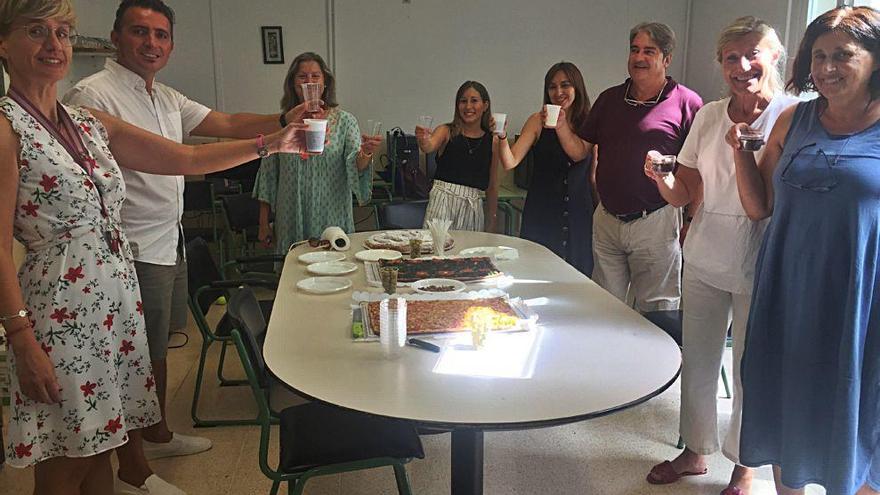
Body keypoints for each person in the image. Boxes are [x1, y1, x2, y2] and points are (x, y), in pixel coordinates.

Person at [0, 1, 306, 494]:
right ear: (3, 44)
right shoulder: (7, 127)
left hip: (111, 299)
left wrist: (273, 141)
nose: (54, 45)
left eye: (62, 33)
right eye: (36, 32)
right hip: (61, 310)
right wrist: (20, 339)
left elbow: (185, 156)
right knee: (66, 460)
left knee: (100, 444)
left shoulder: (85, 120)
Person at [725, 6, 880, 495]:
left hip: (862, 294)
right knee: (787, 404)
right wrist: (739, 155)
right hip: (789, 290)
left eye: (843, 55)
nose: (826, 68)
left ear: (875, 59)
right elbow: (760, 206)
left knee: (860, 412)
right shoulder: (793, 120)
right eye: (818, 56)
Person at [642, 17, 799, 495]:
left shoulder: (790, 114)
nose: (742, 65)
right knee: (701, 358)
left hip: (760, 254)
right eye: (731, 57)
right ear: (720, 64)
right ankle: (695, 451)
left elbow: (768, 200)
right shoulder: (709, 115)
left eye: (753, 53)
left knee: (751, 365)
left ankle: (745, 465)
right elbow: (687, 189)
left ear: (775, 57)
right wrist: (661, 179)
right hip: (705, 251)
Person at [579, 22, 702, 312]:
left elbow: (699, 170)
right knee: (603, 307)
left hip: (656, 222)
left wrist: (690, 220)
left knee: (657, 311)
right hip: (607, 220)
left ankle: (659, 359)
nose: (639, 58)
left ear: (667, 59)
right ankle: (610, 358)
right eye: (635, 50)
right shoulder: (609, 99)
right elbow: (582, 149)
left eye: (649, 51)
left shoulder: (688, 103)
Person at [253, 52, 380, 253]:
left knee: (335, 273)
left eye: (315, 76)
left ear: (325, 82)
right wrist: (263, 223)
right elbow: (268, 176)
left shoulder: (346, 122)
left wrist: (365, 153)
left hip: (331, 212)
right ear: (293, 84)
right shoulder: (283, 123)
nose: (309, 82)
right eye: (302, 76)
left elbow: (355, 166)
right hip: (291, 213)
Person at [497, 62, 594, 276]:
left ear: (577, 87)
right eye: (552, 87)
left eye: (565, 85)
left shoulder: (588, 121)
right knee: (537, 273)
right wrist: (502, 137)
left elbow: (578, 153)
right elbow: (510, 161)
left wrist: (560, 125)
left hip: (578, 212)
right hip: (542, 210)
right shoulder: (537, 121)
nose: (558, 92)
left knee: (577, 277)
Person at [415, 80, 500, 232]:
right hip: (443, 201)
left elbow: (492, 186)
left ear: (485, 106)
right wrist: (423, 140)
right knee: (436, 250)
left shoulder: (492, 140)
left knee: (470, 253)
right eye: (463, 101)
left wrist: (492, 218)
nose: (468, 107)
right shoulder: (446, 131)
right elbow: (428, 146)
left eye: (474, 101)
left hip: (473, 206)